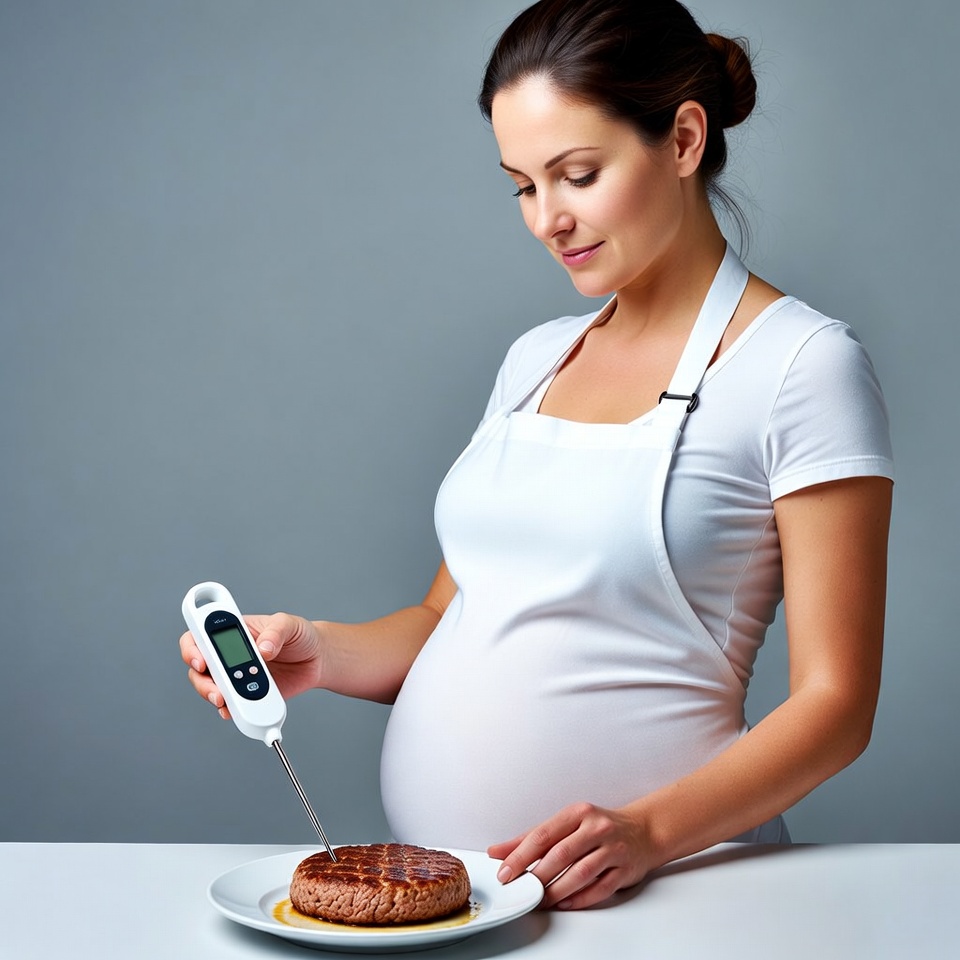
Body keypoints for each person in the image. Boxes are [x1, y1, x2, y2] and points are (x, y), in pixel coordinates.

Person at [181, 0, 894, 911]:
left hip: (668, 894)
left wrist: (649, 834)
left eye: (578, 174)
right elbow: (452, 616)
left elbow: (837, 707)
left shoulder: (802, 366)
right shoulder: (537, 359)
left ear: (682, 140)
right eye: (523, 185)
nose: (547, 219)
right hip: (460, 897)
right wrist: (317, 653)